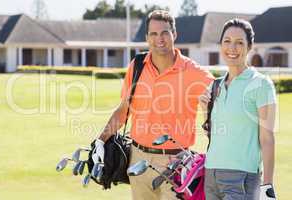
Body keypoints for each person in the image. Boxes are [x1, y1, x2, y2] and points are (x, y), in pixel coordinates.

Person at [92, 10, 214, 200]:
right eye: (154, 34)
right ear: (147, 37)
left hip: (176, 164)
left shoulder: (194, 72)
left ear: (174, 34)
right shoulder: (137, 65)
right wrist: (101, 140)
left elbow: (223, 98)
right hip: (137, 159)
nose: (160, 39)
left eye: (165, 33)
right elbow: (124, 109)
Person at [199, 18, 277, 200]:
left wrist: (267, 187)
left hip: (242, 177)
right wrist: (206, 111)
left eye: (239, 43)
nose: (232, 48)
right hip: (211, 175)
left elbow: (267, 139)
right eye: (227, 41)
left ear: (249, 46)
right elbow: (215, 135)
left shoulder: (260, 84)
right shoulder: (215, 85)